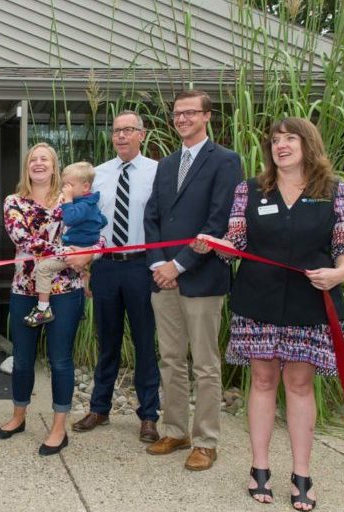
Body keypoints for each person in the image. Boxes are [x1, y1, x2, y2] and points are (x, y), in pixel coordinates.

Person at [193, 117, 344, 511]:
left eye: (290, 139)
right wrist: (212, 243)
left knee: (300, 385)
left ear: (308, 144)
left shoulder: (335, 190)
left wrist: (338, 273)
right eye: (275, 140)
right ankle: (259, 468)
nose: (280, 145)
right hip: (258, 301)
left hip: (310, 302)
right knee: (263, 380)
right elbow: (235, 242)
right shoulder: (249, 190)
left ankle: (302, 474)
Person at [143, 89, 241, 471]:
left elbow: (218, 222)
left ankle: (205, 441)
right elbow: (152, 218)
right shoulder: (166, 164)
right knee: (170, 359)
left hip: (201, 278)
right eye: (177, 113)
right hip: (162, 279)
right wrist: (157, 265)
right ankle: (175, 430)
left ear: (207, 116)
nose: (182, 119)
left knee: (204, 363)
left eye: (190, 113)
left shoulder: (226, 161)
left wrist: (178, 266)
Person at [0, 143, 92, 456]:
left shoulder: (73, 199)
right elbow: (23, 239)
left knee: (60, 359)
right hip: (25, 290)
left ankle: (58, 427)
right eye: (33, 159)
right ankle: (18, 416)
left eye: (44, 159)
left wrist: (88, 252)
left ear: (54, 167)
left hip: (66, 291)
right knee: (22, 358)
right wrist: (69, 251)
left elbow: (94, 230)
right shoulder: (14, 202)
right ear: (27, 167)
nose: (38, 163)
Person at [72, 111, 161, 443]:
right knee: (106, 340)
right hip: (106, 266)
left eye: (128, 130)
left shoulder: (157, 172)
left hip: (142, 266)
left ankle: (149, 415)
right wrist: (86, 267)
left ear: (142, 134)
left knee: (144, 342)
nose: (122, 136)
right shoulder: (99, 175)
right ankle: (100, 408)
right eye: (116, 131)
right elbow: (88, 222)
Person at [24, 161, 106, 327]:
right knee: (80, 272)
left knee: (44, 268)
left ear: (85, 187)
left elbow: (69, 218)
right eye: (64, 185)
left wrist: (67, 200)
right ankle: (80, 307)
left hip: (73, 250)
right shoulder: (90, 203)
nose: (65, 188)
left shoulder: (81, 204)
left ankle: (43, 308)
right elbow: (102, 220)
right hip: (78, 249)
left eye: (69, 185)